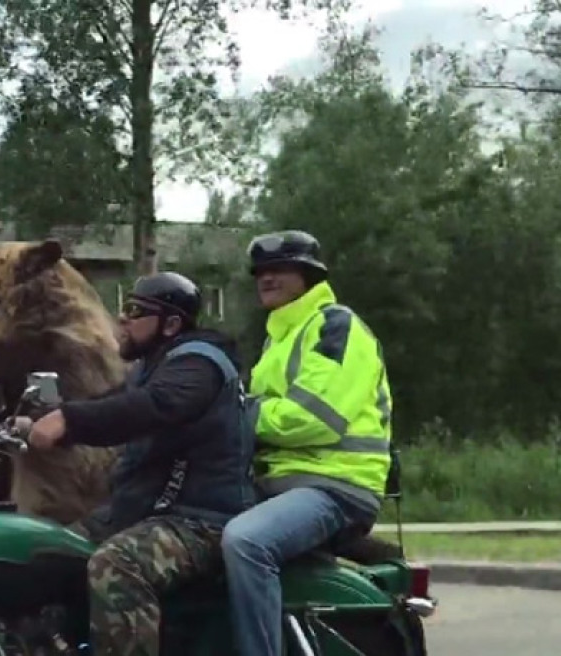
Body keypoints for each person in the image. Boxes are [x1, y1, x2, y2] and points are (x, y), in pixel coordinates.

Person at [21, 271, 256, 656]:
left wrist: (70, 421)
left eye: (135, 311)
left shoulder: (200, 363)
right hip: (148, 511)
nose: (122, 319)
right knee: (46, 549)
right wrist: (39, 424)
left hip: (199, 520)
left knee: (118, 565)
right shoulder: (152, 367)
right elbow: (111, 410)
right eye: (123, 309)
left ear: (172, 324)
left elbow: (156, 407)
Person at [220, 230, 393, 656]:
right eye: (260, 271)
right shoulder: (277, 340)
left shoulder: (335, 326)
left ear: (310, 276)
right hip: (282, 485)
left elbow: (316, 417)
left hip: (332, 486)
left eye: (280, 268)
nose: (266, 277)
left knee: (247, 542)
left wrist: (238, 417)